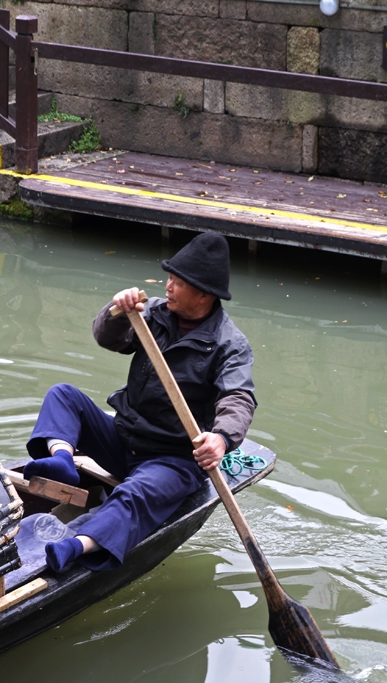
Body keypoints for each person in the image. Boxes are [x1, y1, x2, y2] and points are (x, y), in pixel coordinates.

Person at [23, 231, 257, 572]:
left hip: (173, 459)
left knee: (135, 493)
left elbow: (239, 398)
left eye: (177, 283)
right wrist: (116, 311)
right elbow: (108, 338)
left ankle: (77, 546)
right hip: (125, 438)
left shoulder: (229, 344)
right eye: (169, 279)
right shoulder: (155, 314)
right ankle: (62, 461)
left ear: (204, 295)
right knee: (64, 394)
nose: (168, 288)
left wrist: (220, 438)